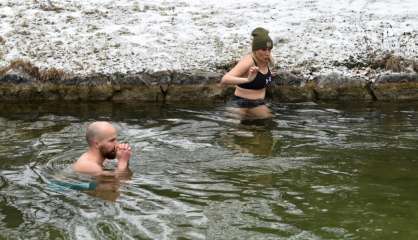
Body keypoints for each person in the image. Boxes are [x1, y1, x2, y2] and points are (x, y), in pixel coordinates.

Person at [220, 27, 274, 120]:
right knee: (236, 131)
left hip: (258, 103)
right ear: (255, 50)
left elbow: (262, 74)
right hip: (239, 103)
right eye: (264, 49)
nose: (267, 53)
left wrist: (269, 74)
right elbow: (225, 79)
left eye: (269, 49)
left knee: (268, 124)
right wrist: (247, 80)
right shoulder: (248, 61)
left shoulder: (267, 59)